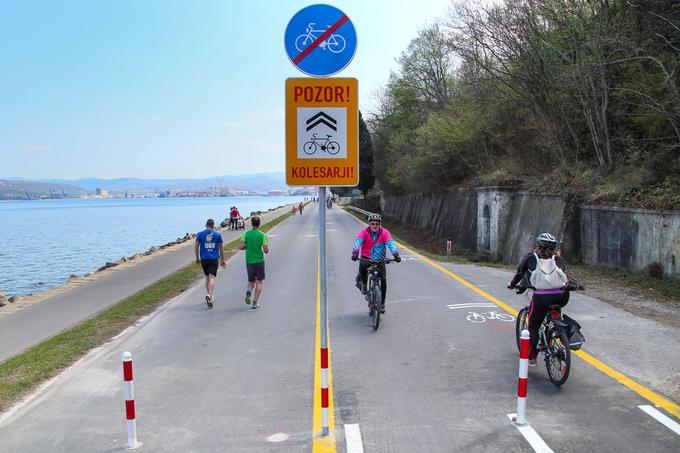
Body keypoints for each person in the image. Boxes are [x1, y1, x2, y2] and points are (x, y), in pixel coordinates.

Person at [508, 232, 569, 366]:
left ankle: (533, 356)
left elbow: (520, 273)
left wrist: (512, 284)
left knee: (533, 326)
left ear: (539, 246)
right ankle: (556, 329)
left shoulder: (531, 257)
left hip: (542, 298)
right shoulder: (559, 260)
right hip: (562, 296)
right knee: (554, 313)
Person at [351, 213, 401, 313]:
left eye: (377, 224)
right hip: (367, 258)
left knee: (383, 280)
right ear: (369, 224)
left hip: (380, 259)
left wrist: (396, 254)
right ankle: (364, 284)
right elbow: (358, 242)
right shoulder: (364, 231)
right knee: (363, 267)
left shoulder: (384, 232)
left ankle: (382, 303)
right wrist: (355, 253)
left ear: (380, 224)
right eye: (372, 224)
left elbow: (390, 243)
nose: (374, 226)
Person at [195, 218, 226, 308]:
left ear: (206, 225)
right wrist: (223, 260)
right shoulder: (217, 234)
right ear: (213, 226)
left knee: (207, 277)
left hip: (204, 259)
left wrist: (197, 258)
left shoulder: (200, 234)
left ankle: (209, 295)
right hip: (213, 259)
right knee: (212, 277)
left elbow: (196, 246)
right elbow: (221, 248)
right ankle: (209, 294)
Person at [239, 216, 269, 309]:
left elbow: (241, 246)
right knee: (259, 282)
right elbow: (266, 250)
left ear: (251, 224)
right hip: (259, 260)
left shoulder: (246, 234)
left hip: (249, 261)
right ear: (259, 224)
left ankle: (248, 291)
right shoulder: (262, 235)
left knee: (251, 281)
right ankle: (255, 302)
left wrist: (246, 246)